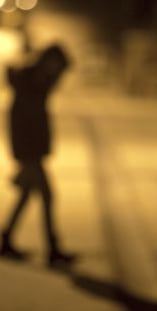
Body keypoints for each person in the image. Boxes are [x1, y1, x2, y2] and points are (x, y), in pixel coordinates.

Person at [0, 44, 76, 268]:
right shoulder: (28, 86)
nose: (58, 76)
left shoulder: (35, 84)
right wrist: (25, 157)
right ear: (47, 63)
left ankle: (6, 241)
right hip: (29, 154)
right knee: (47, 196)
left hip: (32, 153)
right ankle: (52, 250)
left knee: (26, 196)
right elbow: (21, 123)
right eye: (57, 69)